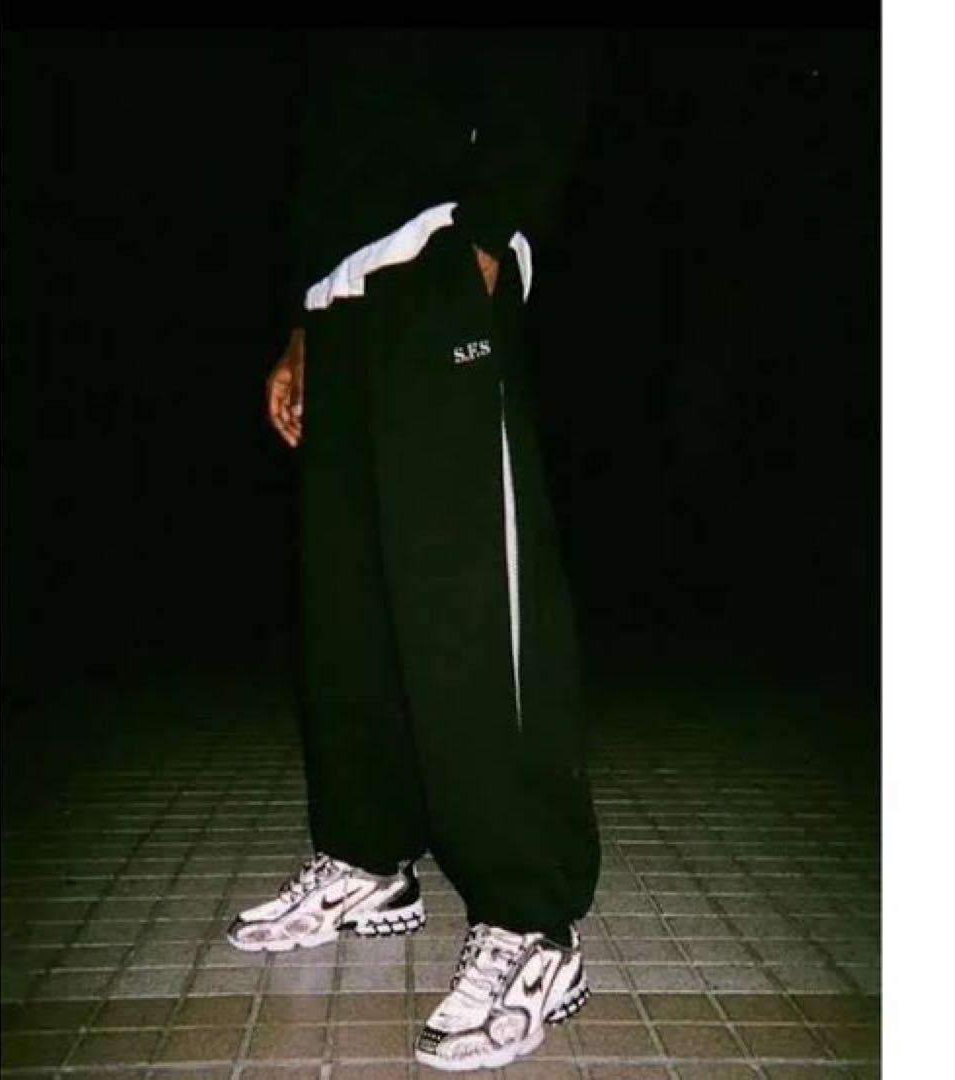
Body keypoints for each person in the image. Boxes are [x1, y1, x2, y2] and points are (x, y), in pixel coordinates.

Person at [228, 29, 606, 1071]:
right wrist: (305, 318)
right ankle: (369, 855)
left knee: (463, 595)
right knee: (351, 601)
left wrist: (491, 222)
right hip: (340, 287)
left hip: (441, 236)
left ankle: (532, 917)